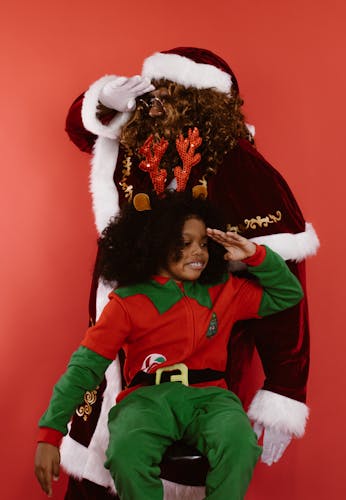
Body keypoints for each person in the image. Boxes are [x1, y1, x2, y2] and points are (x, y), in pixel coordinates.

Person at [35, 192, 303, 499]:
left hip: (211, 398)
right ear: (159, 243)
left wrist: (255, 253)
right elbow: (84, 367)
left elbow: (287, 294)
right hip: (146, 400)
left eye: (203, 243)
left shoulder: (223, 289)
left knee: (240, 442)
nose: (198, 252)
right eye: (185, 242)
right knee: (125, 452)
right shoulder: (127, 301)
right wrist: (50, 433)